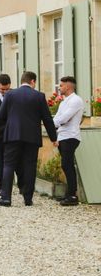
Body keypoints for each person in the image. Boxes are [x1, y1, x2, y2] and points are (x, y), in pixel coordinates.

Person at [0, 71, 57, 207]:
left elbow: (0, 115)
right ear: (33, 81)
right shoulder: (39, 96)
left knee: (9, 165)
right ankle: (28, 198)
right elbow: (47, 119)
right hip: (32, 137)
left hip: (12, 135)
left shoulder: (10, 94)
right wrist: (53, 138)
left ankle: (6, 198)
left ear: (21, 81)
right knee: (29, 166)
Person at [53, 76, 84, 206]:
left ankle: (72, 195)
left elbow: (64, 119)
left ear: (68, 86)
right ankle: (69, 194)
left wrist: (49, 124)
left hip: (71, 136)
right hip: (63, 136)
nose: (59, 88)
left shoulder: (76, 100)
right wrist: (54, 130)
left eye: (61, 85)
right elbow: (58, 118)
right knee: (66, 165)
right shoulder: (63, 102)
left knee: (68, 164)